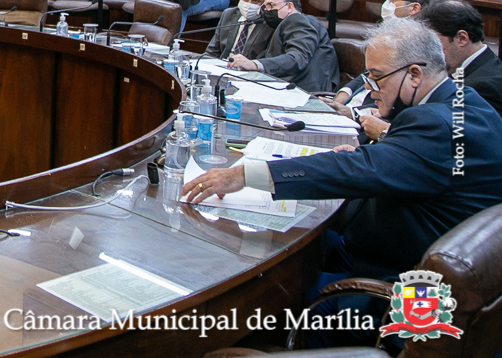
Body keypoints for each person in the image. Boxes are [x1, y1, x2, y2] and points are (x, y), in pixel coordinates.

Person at [184, 20, 502, 347]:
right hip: (422, 257)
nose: (370, 88)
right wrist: (375, 155)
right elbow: (418, 162)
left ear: (415, 75)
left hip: (403, 292)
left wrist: (244, 175)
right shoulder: (465, 102)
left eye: (377, 76)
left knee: (264, 293)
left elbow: (359, 168)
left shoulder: (434, 123)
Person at [324, 0, 440, 139]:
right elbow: (367, 75)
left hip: (364, 127)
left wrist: (351, 112)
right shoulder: (390, 37)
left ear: (414, 8)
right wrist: (343, 94)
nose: (387, 4)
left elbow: (394, 100)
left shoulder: (419, 47)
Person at [227, 0, 340, 92]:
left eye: (271, 5)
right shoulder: (283, 25)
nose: (267, 10)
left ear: (289, 6)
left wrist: (255, 65)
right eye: (265, 7)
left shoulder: (297, 20)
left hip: (305, 91)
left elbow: (297, 58)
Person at [419, 0, 502, 114]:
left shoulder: (481, 88)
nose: (428, 52)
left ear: (461, 38)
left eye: (433, 43)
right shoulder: (485, 64)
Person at [204, 0, 273, 60]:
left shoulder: (270, 23)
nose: (249, 5)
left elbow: (267, 60)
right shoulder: (228, 14)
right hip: (223, 64)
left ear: (265, 1)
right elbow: (212, 52)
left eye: (255, 1)